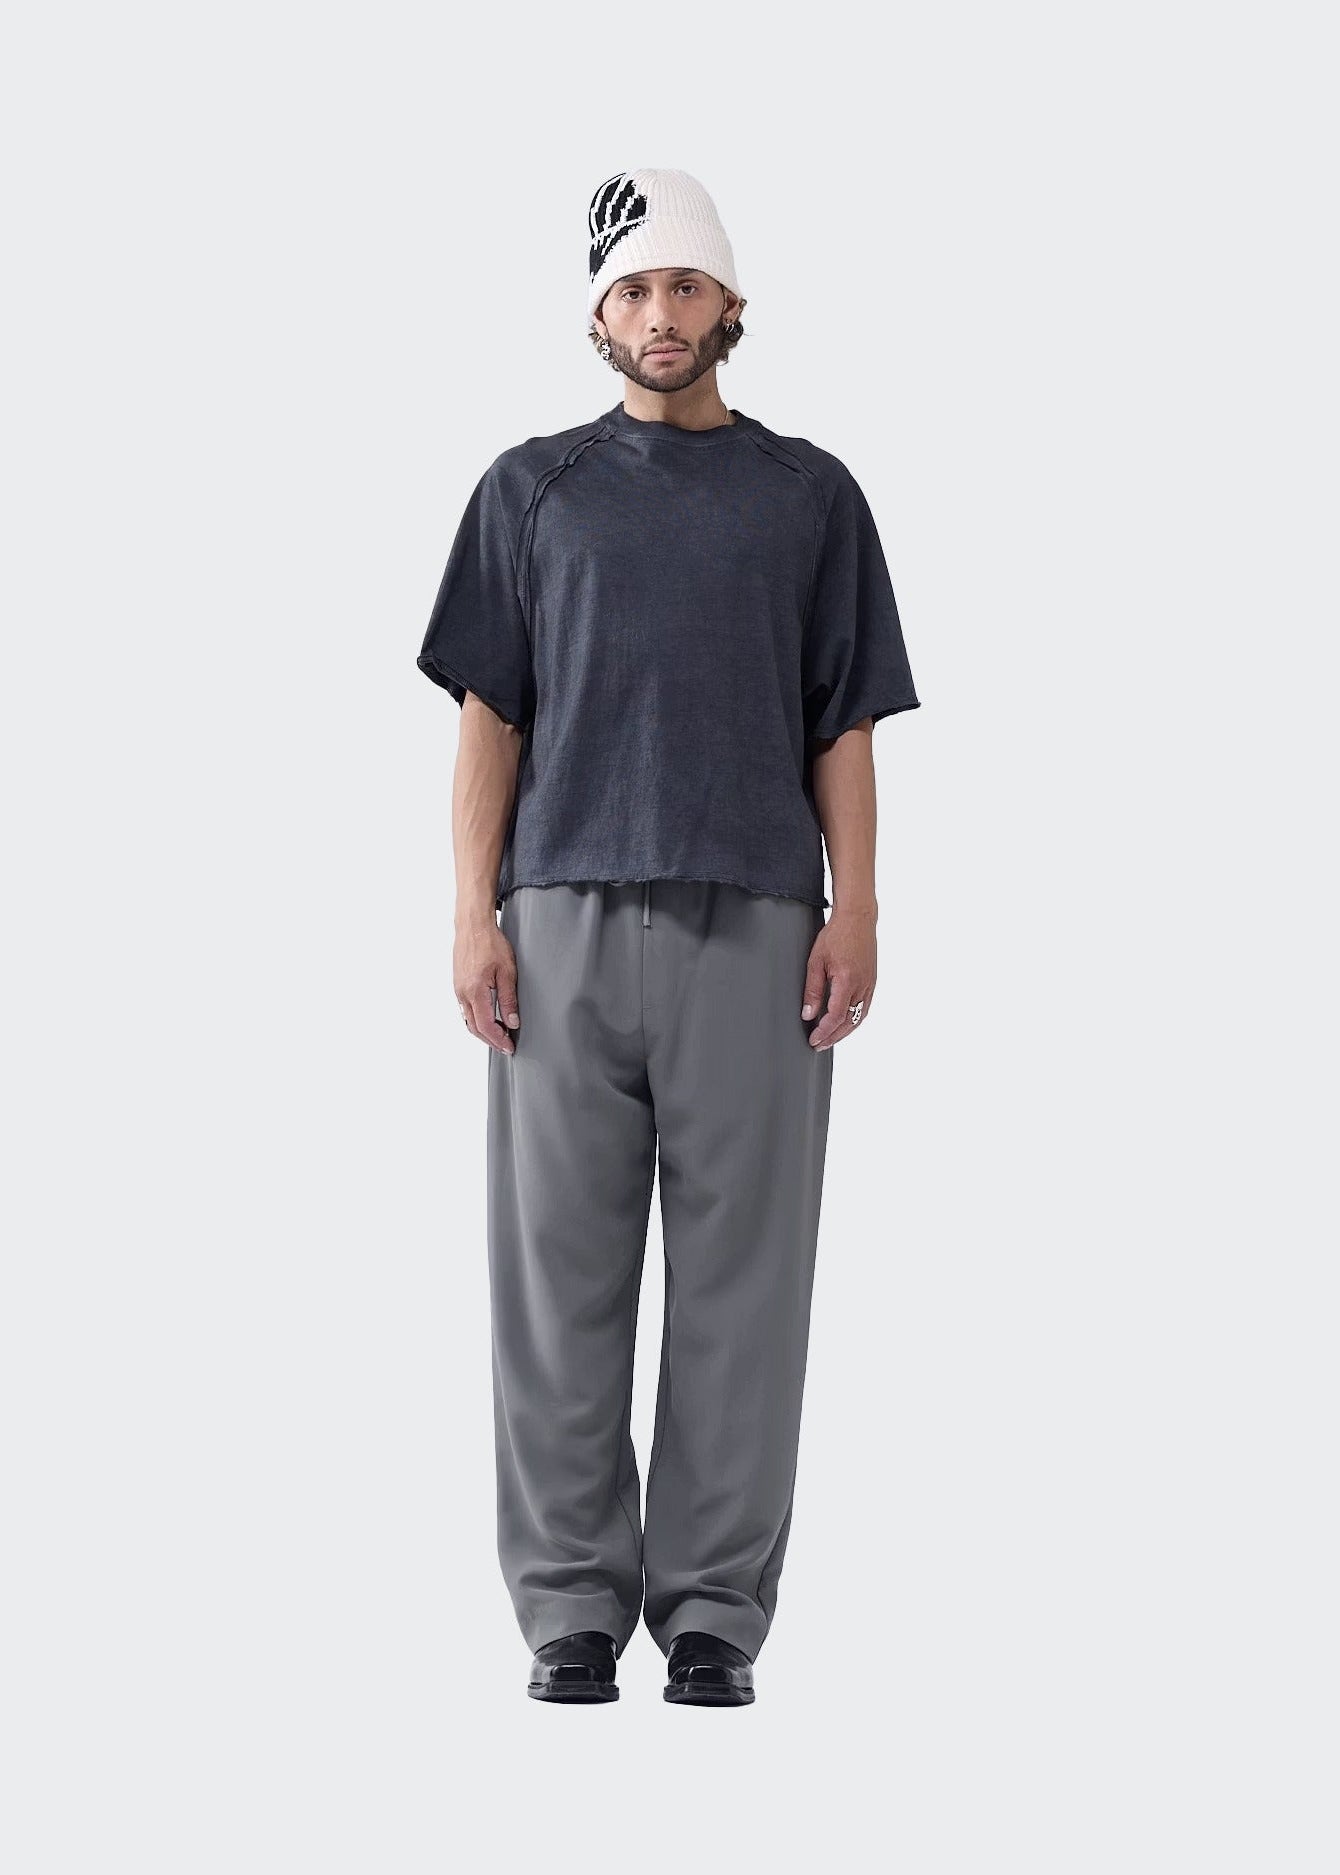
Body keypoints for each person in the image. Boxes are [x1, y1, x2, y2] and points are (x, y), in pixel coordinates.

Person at [416, 168, 921, 1706]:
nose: (660, 313)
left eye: (685, 286)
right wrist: (471, 914)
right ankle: (570, 1608)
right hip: (560, 919)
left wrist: (857, 907)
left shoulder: (809, 497)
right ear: (598, 313)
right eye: (632, 289)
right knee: (555, 1282)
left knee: (743, 1286)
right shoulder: (531, 491)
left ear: (731, 304)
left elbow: (843, 721)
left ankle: (713, 1615)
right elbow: (491, 713)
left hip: (758, 921)